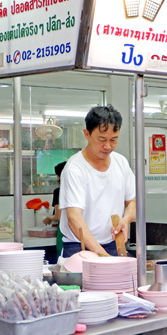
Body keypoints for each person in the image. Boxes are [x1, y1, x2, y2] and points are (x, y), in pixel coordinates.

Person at [59, 106, 136, 257]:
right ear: (87, 134)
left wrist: (126, 219)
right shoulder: (75, 169)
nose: (108, 146)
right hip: (79, 247)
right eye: (102, 139)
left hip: (113, 244)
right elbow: (74, 218)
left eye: (113, 140)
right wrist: (102, 255)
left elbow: (132, 202)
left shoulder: (121, 162)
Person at [43, 161, 67, 260]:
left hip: (65, 231)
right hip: (83, 230)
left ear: (58, 176)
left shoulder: (59, 191)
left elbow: (59, 216)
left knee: (64, 261)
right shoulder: (82, 189)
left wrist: (49, 218)